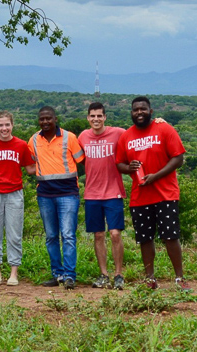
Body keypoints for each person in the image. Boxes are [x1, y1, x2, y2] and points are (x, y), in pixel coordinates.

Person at [115, 96, 191, 291]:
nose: (139, 112)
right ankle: (150, 279)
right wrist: (128, 168)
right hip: (140, 196)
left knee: (170, 236)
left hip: (165, 194)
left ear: (151, 111)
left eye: (143, 109)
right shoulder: (126, 136)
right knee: (144, 239)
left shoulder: (164, 129)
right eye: (135, 110)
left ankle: (179, 278)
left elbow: (178, 158)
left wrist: (156, 176)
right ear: (131, 113)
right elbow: (119, 163)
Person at [28, 106, 84, 290]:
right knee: (51, 236)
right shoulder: (34, 140)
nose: (45, 122)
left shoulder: (70, 137)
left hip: (68, 193)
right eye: (42, 119)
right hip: (45, 194)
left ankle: (69, 275)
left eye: (48, 119)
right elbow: (30, 164)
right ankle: (57, 274)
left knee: (68, 235)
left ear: (55, 119)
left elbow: (81, 161)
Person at [0, 111, 35, 286]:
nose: (4, 128)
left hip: (14, 193)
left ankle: (13, 273)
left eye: (7, 125)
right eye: (0, 125)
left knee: (14, 233)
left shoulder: (20, 145)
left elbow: (30, 169)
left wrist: (49, 162)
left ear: (12, 125)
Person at [78, 102, 126, 290]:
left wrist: (158, 122)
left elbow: (139, 133)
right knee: (98, 235)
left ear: (105, 117)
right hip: (92, 193)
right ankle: (104, 274)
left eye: (99, 116)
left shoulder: (118, 133)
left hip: (113, 192)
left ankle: (119, 274)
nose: (96, 119)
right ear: (88, 118)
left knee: (115, 234)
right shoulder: (83, 136)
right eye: (93, 116)